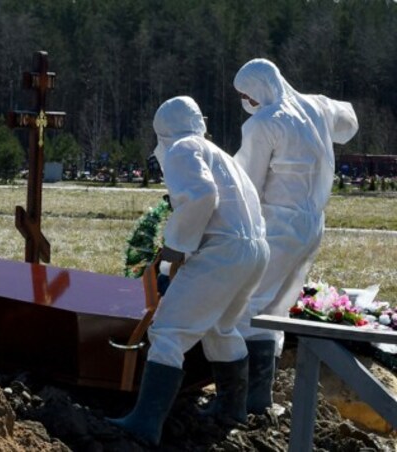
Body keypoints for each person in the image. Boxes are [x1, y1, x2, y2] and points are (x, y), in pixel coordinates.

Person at [107, 96, 269, 446]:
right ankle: (231, 408)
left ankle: (145, 423)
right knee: (221, 328)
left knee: (167, 332)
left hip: (223, 252)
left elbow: (199, 196)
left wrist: (176, 248)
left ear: (163, 130)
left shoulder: (182, 148)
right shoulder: (222, 155)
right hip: (255, 250)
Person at [232, 58, 358, 414]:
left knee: (247, 304)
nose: (247, 102)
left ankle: (243, 400)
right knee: (277, 308)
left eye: (247, 95)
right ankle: (261, 397)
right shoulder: (316, 105)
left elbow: (248, 184)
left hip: (278, 225)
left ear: (258, 89)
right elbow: (348, 123)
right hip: (313, 224)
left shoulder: (264, 124)